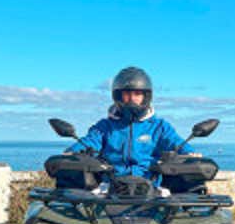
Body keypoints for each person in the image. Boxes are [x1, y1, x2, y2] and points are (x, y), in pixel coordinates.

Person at [65, 66, 199, 179]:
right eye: (127, 94)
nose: (132, 98)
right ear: (118, 95)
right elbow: (90, 141)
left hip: (149, 184)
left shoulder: (159, 127)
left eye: (137, 93)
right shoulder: (105, 126)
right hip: (111, 186)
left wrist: (190, 154)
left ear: (145, 96)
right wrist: (72, 153)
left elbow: (175, 142)